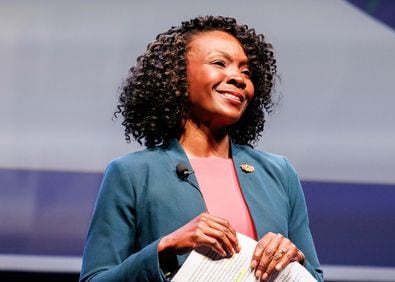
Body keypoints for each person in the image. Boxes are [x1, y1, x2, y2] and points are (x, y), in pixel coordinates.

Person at [80, 15, 323, 282]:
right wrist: (165, 248)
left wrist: (295, 259)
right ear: (178, 77)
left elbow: (315, 276)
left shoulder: (279, 172)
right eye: (220, 63)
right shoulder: (131, 173)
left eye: (246, 72)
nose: (239, 79)